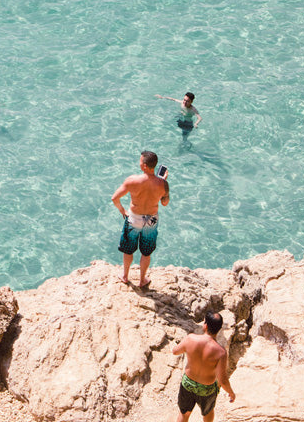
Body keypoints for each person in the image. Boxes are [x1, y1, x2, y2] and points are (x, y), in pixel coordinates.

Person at [112, 150, 170, 288]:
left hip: (134, 219)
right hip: (151, 221)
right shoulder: (163, 184)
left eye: (140, 161)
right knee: (146, 253)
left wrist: (122, 210)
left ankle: (125, 276)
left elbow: (115, 198)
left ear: (144, 166)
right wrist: (163, 181)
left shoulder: (132, 181)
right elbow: (164, 203)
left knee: (128, 250)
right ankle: (142, 280)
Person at [172, 311, 235, 422]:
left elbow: (175, 351)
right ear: (219, 329)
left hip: (188, 384)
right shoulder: (221, 352)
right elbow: (223, 380)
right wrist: (231, 392)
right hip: (207, 389)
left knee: (184, 414)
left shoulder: (190, 339)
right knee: (208, 413)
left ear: (205, 326)